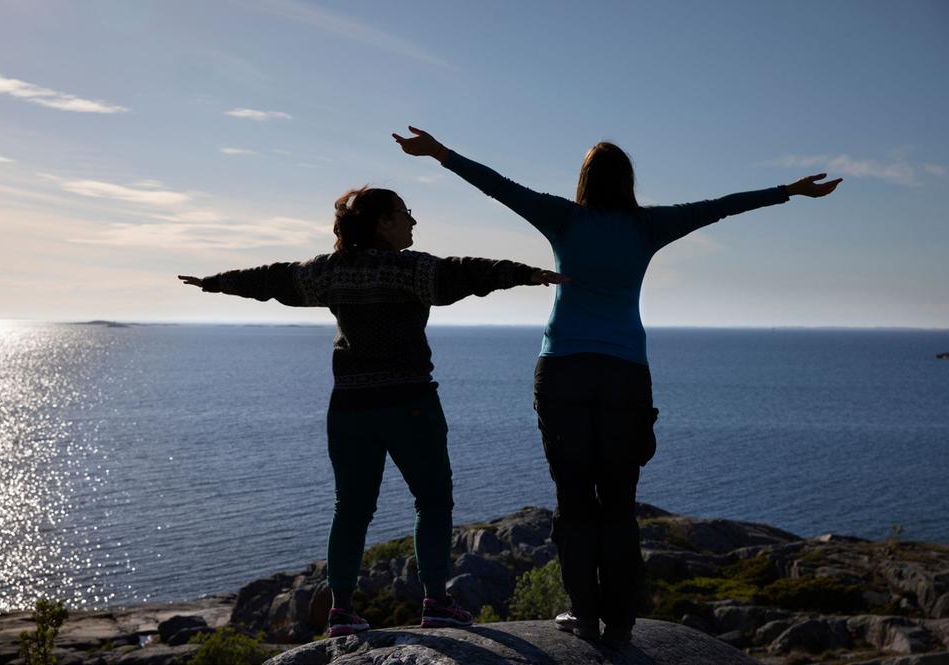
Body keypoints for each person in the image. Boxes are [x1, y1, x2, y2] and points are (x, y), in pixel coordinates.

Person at [393, 126, 841, 644]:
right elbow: (723, 205)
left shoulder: (564, 218)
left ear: (583, 181)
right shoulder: (647, 226)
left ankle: (584, 615)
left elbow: (498, 186)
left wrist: (440, 153)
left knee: (574, 500)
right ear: (628, 182)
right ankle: (621, 622)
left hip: (562, 369)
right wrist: (789, 190)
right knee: (620, 502)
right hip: (625, 374)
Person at [179, 185, 566, 637]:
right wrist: (527, 274)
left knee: (351, 509)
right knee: (433, 501)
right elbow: (468, 273)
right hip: (410, 405)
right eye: (405, 214)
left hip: (349, 408)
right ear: (383, 222)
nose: (413, 222)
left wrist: (215, 282)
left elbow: (271, 279)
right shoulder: (410, 270)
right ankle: (436, 603)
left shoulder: (328, 272)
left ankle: (341, 610)